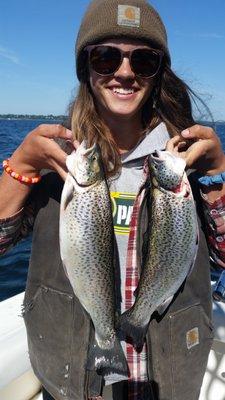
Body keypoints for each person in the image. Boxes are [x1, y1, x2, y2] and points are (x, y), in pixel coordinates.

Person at [1, 1, 225, 399]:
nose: (124, 72)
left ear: (159, 72)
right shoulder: (57, 155)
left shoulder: (185, 156)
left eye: (143, 60)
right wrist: (21, 167)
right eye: (106, 57)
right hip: (71, 371)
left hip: (168, 375)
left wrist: (216, 175)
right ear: (86, 67)